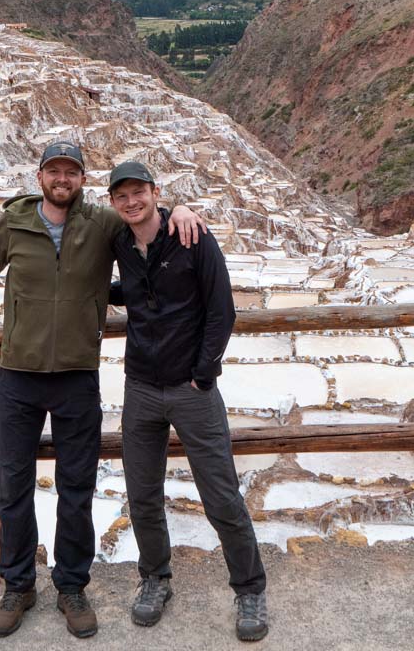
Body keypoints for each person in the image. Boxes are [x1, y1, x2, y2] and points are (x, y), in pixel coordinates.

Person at [0, 143, 205, 639]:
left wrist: (181, 209)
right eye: (54, 171)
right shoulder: (15, 224)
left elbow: (145, 216)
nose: (63, 179)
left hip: (77, 377)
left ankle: (71, 585)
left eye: (71, 172)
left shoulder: (102, 224)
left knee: (75, 489)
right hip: (18, 376)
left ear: (82, 179)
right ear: (40, 176)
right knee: (14, 486)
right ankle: (18, 585)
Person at [107, 161, 268, 642]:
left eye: (139, 193)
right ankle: (155, 580)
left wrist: (204, 373)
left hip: (191, 391)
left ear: (156, 193)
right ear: (114, 204)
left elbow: (222, 309)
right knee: (142, 495)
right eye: (123, 196)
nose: (132, 202)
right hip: (139, 386)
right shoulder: (119, 243)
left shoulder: (194, 236)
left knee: (220, 494)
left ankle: (250, 588)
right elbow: (131, 288)